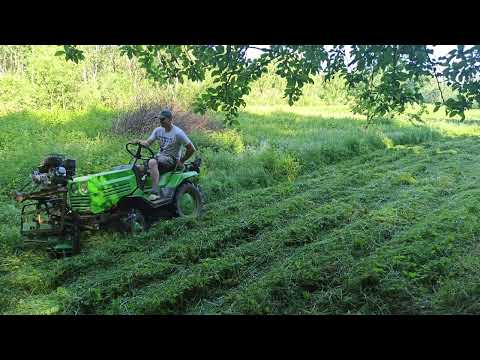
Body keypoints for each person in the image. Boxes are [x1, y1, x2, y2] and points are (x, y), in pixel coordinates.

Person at [134, 109, 196, 201]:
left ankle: (155, 192)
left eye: (162, 119)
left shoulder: (178, 133)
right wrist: (139, 142)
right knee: (137, 167)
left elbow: (191, 149)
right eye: (159, 119)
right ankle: (139, 191)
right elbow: (147, 143)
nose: (160, 121)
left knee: (152, 161)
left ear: (170, 120)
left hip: (172, 159)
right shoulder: (158, 130)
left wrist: (181, 161)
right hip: (161, 157)